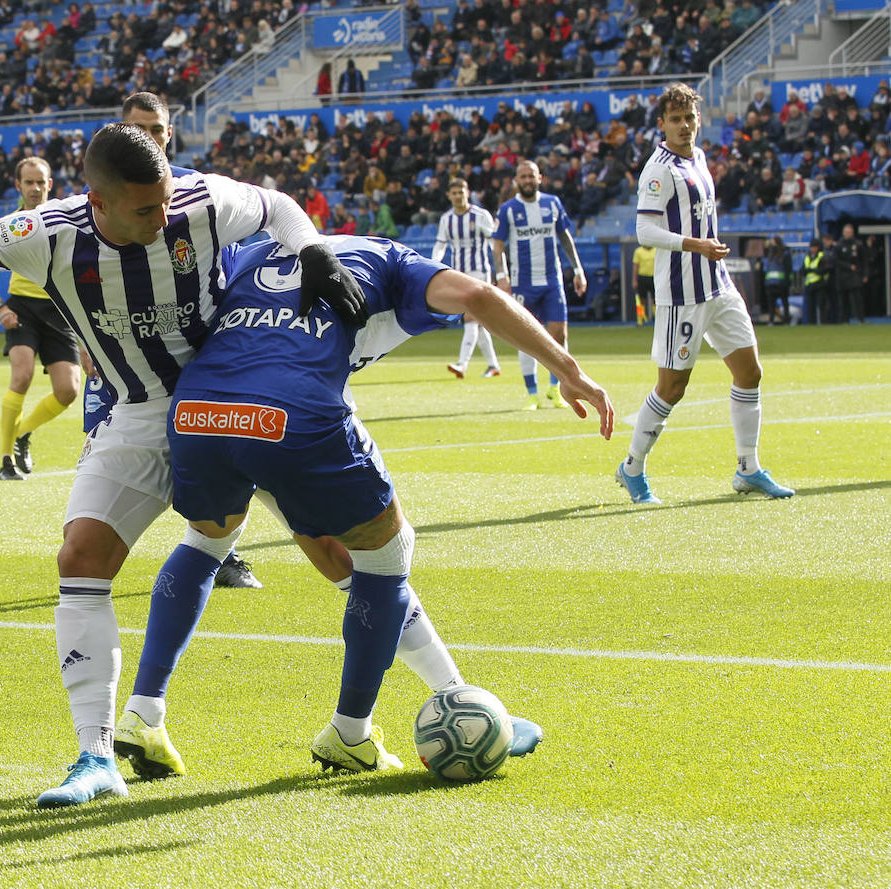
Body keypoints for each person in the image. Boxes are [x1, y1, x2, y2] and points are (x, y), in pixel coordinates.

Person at [0, 123, 369, 808]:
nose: (164, 215)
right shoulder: (50, 231)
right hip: (139, 413)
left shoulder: (200, 201)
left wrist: (314, 250)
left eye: (166, 199)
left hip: (229, 399)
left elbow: (280, 206)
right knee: (80, 555)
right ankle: (95, 756)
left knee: (345, 554)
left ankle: (452, 692)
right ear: (99, 203)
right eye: (146, 209)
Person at [111, 234, 614, 778]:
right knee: (387, 556)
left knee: (210, 543)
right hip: (293, 415)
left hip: (199, 410)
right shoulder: (395, 264)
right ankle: (351, 732)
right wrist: (568, 369)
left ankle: (143, 712)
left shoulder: (249, 253)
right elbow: (478, 296)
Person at [616, 83, 794, 505]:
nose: (683, 126)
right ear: (661, 125)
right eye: (675, 120)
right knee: (672, 388)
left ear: (698, 120)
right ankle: (632, 468)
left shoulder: (698, 158)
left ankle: (748, 468)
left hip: (719, 285)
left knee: (750, 373)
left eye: (689, 118)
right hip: (683, 294)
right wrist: (696, 245)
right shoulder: (658, 169)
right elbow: (644, 231)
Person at [119, 91, 262, 591]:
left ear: (169, 134)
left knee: (223, 447)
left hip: (204, 339)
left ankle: (223, 552)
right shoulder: (104, 195)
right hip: (133, 350)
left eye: (157, 130)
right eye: (139, 130)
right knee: (115, 443)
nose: (150, 139)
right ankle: (98, 548)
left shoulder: (199, 192)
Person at [0, 156, 82, 480]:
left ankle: (22, 433)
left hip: (58, 310)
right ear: (18, 185)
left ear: (50, 185)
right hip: (21, 308)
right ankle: (6, 459)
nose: (35, 188)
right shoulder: (8, 227)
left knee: (69, 391)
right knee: (21, 377)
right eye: (29, 182)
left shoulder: (64, 223)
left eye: (40, 182)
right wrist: (1, 308)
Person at [491, 160, 588, 410]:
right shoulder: (508, 210)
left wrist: (577, 269)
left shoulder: (552, 203)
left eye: (531, 176)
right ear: (516, 181)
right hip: (523, 284)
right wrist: (501, 276)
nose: (527, 180)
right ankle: (532, 394)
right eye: (522, 176)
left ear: (539, 178)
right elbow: (498, 247)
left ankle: (555, 389)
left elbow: (565, 237)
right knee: (527, 337)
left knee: (559, 335)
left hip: (552, 281)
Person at [432, 177, 501, 379]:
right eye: (454, 193)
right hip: (459, 275)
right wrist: (434, 263)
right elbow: (441, 245)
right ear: (449, 195)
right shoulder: (447, 219)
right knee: (477, 322)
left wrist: (501, 271)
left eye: (461, 192)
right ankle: (493, 365)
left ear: (467, 193)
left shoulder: (481, 216)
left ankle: (462, 364)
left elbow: (493, 244)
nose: (457, 196)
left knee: (470, 317)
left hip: (479, 273)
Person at [833, 223, 868, 324]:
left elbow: (864, 260)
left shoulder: (858, 244)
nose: (848, 234)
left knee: (857, 299)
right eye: (846, 232)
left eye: (850, 232)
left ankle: (861, 319)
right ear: (843, 233)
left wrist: (865, 274)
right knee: (843, 300)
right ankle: (845, 320)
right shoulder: (838, 245)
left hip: (854, 276)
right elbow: (835, 260)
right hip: (842, 276)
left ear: (852, 233)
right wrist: (848, 266)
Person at [758, 236, 792, 325]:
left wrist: (787, 281)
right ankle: (773, 320)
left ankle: (785, 320)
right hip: (772, 282)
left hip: (779, 283)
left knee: (783, 303)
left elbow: (788, 269)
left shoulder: (783, 254)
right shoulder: (770, 254)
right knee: (773, 303)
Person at [801, 237, 832, 325]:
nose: (813, 249)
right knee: (811, 306)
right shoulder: (807, 257)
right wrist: (812, 270)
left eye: (815, 247)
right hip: (810, 284)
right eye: (812, 247)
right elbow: (803, 270)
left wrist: (810, 270)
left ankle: (823, 322)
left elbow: (823, 270)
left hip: (820, 284)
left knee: (821, 305)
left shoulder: (823, 256)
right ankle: (812, 323)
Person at [632, 242, 656, 324]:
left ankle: (657, 319)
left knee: (655, 300)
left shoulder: (656, 250)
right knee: (641, 300)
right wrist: (634, 280)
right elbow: (635, 266)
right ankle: (640, 320)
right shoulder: (638, 251)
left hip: (654, 277)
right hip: (642, 278)